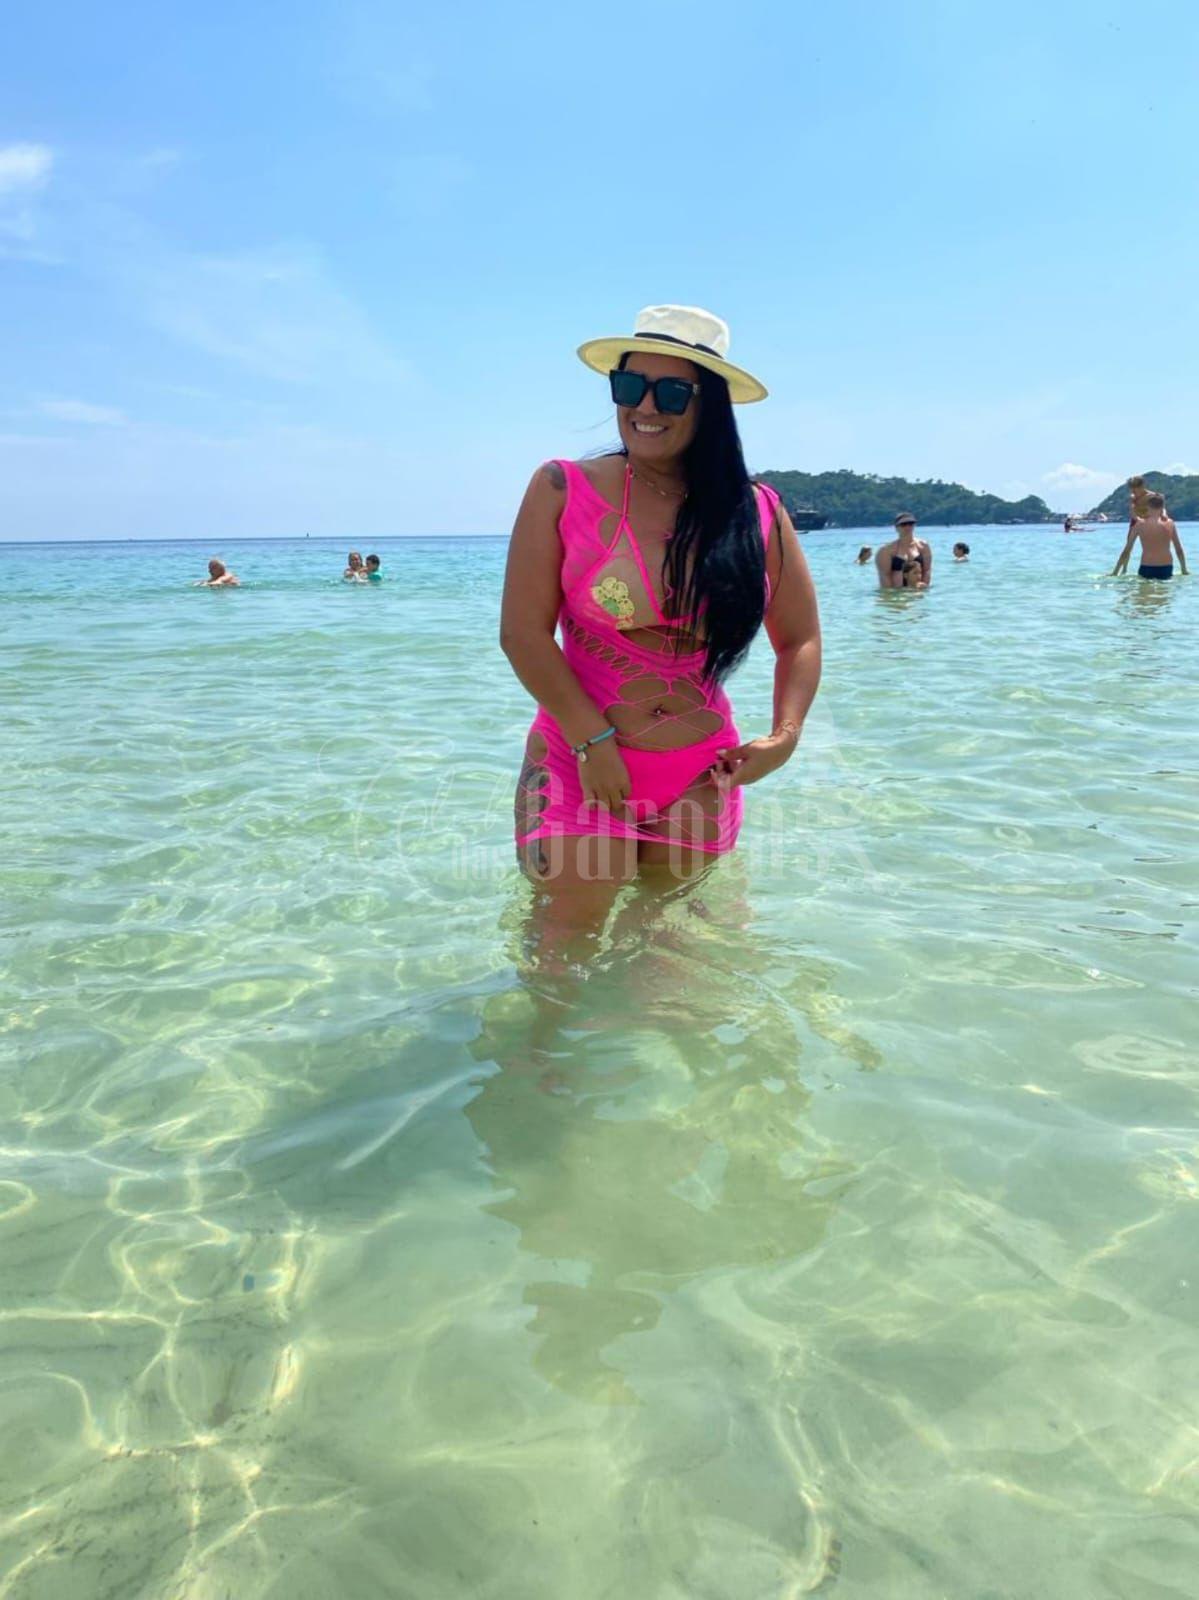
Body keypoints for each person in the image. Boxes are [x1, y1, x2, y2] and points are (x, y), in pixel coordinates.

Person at [500, 303, 821, 926]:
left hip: (702, 775)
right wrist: (592, 740)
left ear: (711, 405)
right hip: (579, 760)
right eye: (629, 386)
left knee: (674, 962)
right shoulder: (562, 488)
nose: (645, 407)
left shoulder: (754, 511)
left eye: (673, 392)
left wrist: (785, 737)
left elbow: (800, 637)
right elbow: (522, 634)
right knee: (560, 956)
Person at [1112, 491, 1188, 580]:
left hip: (1146, 567)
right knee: (1164, 588)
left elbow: (1127, 551)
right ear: (1162, 507)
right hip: (1166, 567)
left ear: (1147, 506)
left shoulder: (1139, 525)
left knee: (1146, 588)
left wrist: (1115, 572)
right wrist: (1184, 570)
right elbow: (1178, 549)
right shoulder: (1170, 524)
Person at [875, 514, 932, 589]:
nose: (908, 527)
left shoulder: (923, 546)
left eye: (911, 523)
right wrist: (891, 594)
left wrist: (924, 589)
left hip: (917, 592)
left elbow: (927, 570)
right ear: (896, 528)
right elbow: (884, 576)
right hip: (897, 592)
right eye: (903, 524)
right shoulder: (886, 550)